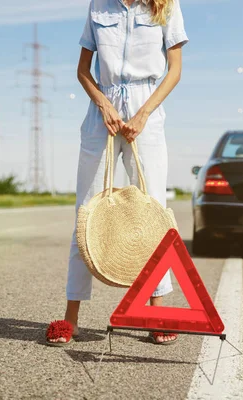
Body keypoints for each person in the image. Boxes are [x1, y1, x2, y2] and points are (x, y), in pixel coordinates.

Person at [46, 0, 188, 346]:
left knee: (153, 213)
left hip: (147, 113)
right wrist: (104, 104)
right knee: (87, 212)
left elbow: (174, 71)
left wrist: (143, 115)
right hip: (102, 115)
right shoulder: (99, 6)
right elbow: (83, 70)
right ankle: (71, 319)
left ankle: (156, 312)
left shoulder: (166, 5)